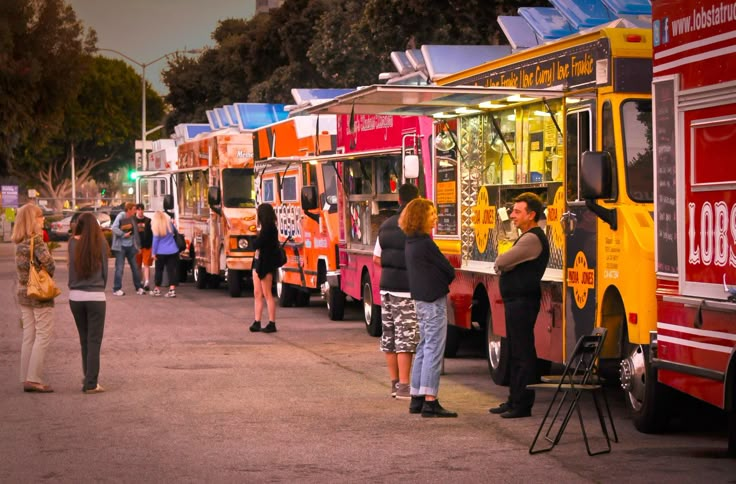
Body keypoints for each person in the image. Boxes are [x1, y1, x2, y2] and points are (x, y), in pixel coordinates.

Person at [489, 192, 550, 419]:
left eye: (517, 212)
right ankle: (513, 400)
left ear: (531, 215)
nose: (512, 215)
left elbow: (501, 261)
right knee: (514, 351)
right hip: (516, 301)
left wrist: (505, 266)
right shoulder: (525, 236)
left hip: (523, 302)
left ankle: (522, 404)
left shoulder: (532, 238)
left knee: (523, 353)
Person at [399, 198, 457, 418]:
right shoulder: (426, 243)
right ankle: (431, 400)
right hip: (433, 300)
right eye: (432, 214)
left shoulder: (411, 242)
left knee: (423, 346)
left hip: (421, 300)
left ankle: (417, 397)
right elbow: (447, 269)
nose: (436, 217)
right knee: (433, 348)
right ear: (421, 217)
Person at [373, 183, 420, 400]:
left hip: (386, 289)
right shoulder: (413, 226)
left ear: (398, 200)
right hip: (406, 290)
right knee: (406, 339)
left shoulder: (386, 225)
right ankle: (404, 386)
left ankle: (394, 384)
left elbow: (376, 257)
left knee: (389, 337)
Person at [12, 204, 56, 393]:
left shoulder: (18, 242)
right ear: (33, 219)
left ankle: (26, 377)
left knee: (28, 336)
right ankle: (34, 378)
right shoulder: (36, 241)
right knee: (43, 334)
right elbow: (50, 264)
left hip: (22, 293)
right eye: (40, 216)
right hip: (39, 293)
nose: (43, 219)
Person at [68, 212, 109, 394]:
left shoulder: (71, 243)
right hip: (96, 296)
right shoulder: (100, 243)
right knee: (94, 341)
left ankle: (87, 377)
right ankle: (91, 383)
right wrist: (100, 286)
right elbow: (105, 272)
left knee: (84, 340)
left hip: (75, 296)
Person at [249, 203, 279, 333]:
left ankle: (272, 322)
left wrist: (253, 237)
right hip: (257, 262)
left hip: (265, 264)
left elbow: (257, 244)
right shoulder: (265, 228)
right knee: (257, 293)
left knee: (267, 293)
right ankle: (257, 320)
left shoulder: (269, 229)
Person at [111, 202, 145, 296]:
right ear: (129, 209)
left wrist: (138, 246)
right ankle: (116, 289)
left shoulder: (132, 218)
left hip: (130, 246)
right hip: (121, 247)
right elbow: (113, 228)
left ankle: (139, 287)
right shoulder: (121, 216)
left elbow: (135, 233)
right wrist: (123, 234)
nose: (135, 211)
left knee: (135, 267)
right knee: (119, 268)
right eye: (134, 209)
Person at [150, 211, 180, 298]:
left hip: (160, 252)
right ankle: (172, 290)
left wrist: (153, 253)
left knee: (159, 270)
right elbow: (175, 231)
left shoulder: (156, 227)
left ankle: (157, 289)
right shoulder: (169, 224)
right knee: (171, 271)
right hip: (173, 250)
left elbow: (155, 242)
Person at [133, 203, 153, 291]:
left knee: (146, 264)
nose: (140, 211)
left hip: (147, 246)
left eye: (142, 209)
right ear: (136, 210)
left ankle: (147, 282)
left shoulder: (148, 221)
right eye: (139, 209)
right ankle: (140, 281)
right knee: (138, 265)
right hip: (136, 246)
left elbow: (152, 233)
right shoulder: (133, 220)